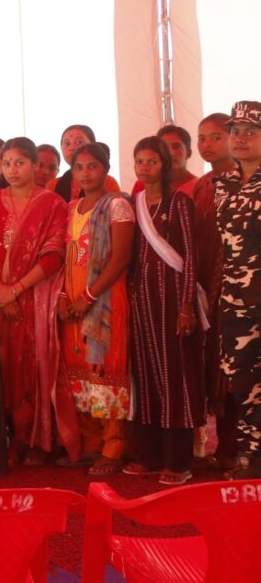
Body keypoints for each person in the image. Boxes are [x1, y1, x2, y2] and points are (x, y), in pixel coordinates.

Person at [0, 137, 79, 466]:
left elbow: (54, 254)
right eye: (6, 163)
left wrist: (16, 290)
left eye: (19, 163)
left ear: (35, 165)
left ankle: (37, 439)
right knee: (7, 367)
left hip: (36, 298)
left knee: (35, 366)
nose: (12, 170)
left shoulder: (53, 204)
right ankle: (11, 436)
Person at [124, 137, 202, 485]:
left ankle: (178, 461)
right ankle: (150, 456)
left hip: (173, 299)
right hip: (142, 301)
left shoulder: (180, 202)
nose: (144, 167)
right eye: (139, 161)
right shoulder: (134, 202)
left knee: (175, 376)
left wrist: (186, 306)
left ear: (164, 165)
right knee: (145, 376)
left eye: (151, 161)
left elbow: (190, 258)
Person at [58, 143, 134, 475]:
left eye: (92, 166)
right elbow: (66, 258)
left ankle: (114, 447)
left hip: (104, 300)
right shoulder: (70, 208)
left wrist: (87, 297)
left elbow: (120, 259)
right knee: (78, 371)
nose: (85, 173)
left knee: (105, 370)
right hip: (73, 302)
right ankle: (90, 444)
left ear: (105, 169)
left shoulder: (118, 206)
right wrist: (64, 296)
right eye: (79, 167)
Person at [214, 100, 261, 479]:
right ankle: (250, 459)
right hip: (234, 300)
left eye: (251, 132)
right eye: (235, 132)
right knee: (242, 383)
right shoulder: (223, 184)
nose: (240, 138)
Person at [192, 113, 234, 467]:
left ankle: (237, 451)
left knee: (238, 370)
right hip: (206, 288)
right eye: (202, 138)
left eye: (215, 137)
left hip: (241, 291)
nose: (207, 144)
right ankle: (223, 449)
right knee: (213, 367)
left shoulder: (249, 182)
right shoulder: (202, 185)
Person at [51, 125, 120, 202]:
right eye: (67, 143)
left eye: (79, 142)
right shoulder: (53, 185)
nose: (71, 148)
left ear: (93, 146)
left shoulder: (108, 182)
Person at [157, 124, 199, 194]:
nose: (171, 153)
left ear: (188, 153)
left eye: (176, 147)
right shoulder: (145, 184)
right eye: (165, 147)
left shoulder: (199, 187)